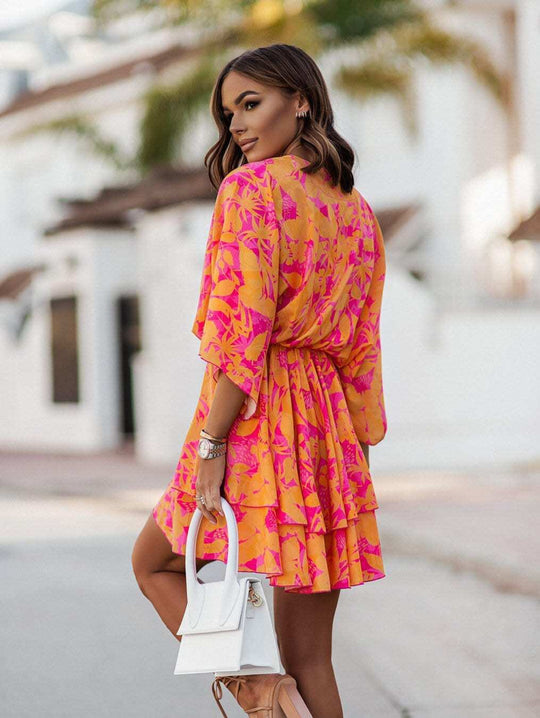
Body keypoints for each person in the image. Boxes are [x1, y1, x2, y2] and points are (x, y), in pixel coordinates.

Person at [132, 43, 388, 718]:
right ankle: (272, 690)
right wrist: (357, 454)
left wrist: (212, 444)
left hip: (254, 417)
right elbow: (363, 345)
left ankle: (259, 693)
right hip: (326, 428)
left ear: (300, 100)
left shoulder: (251, 190)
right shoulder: (357, 210)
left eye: (251, 104)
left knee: (154, 563)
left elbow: (242, 333)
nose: (238, 126)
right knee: (314, 659)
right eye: (229, 114)